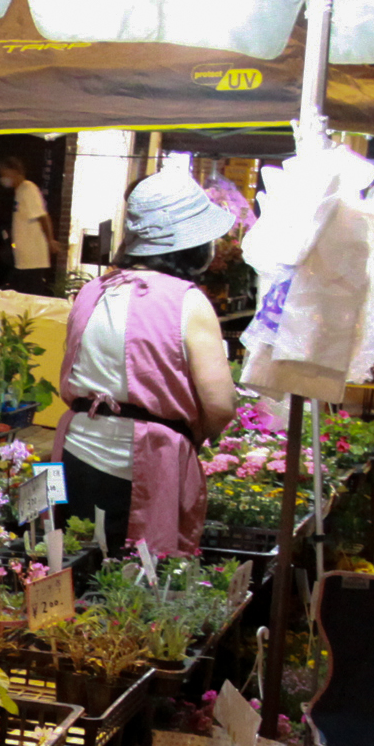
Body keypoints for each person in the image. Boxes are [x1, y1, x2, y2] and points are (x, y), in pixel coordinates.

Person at [49, 162, 239, 555]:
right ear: (193, 245)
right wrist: (191, 434)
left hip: (74, 450)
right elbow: (220, 404)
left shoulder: (92, 290)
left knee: (67, 559)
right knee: (133, 571)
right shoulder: (187, 301)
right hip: (143, 461)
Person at [0, 154, 61, 294]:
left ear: (14, 171)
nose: (3, 177)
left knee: (30, 295)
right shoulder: (19, 191)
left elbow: (43, 216)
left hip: (32, 259)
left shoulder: (28, 189)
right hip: (23, 259)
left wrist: (50, 240)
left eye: (4, 173)